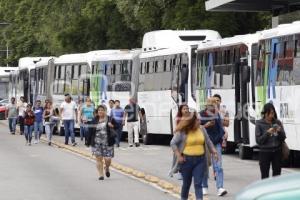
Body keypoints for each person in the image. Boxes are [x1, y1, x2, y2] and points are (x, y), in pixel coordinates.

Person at [170, 111, 217, 200]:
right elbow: (173, 143)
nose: (200, 121)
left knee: (198, 184)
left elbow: (208, 141)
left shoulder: (202, 129)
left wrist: (214, 151)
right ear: (191, 122)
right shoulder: (183, 131)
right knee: (187, 184)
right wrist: (179, 155)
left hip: (200, 160)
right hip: (186, 161)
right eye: (198, 120)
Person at [200, 97, 227, 196]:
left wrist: (223, 135)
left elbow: (220, 127)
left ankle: (220, 187)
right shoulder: (201, 114)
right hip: (205, 143)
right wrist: (206, 125)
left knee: (218, 166)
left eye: (214, 105)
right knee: (204, 166)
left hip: (216, 143)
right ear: (207, 106)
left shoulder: (217, 114)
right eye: (211, 105)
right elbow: (197, 128)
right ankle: (204, 187)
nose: (213, 108)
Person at [255, 103, 286, 179]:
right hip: (265, 152)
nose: (271, 115)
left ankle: (276, 190)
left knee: (277, 175)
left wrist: (279, 131)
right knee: (265, 176)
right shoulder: (259, 123)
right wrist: (268, 133)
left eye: (273, 113)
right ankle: (266, 190)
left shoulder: (277, 122)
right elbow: (259, 141)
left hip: (277, 151)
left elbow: (283, 137)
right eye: (270, 113)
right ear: (265, 113)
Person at [86, 105, 116, 180]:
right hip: (96, 143)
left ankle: (107, 167)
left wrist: (112, 125)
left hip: (108, 142)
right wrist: (88, 141)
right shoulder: (94, 120)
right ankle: (101, 174)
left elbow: (118, 126)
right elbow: (90, 131)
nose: (100, 111)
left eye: (102, 110)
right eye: (99, 110)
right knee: (98, 158)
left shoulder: (110, 119)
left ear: (105, 111)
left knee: (108, 159)